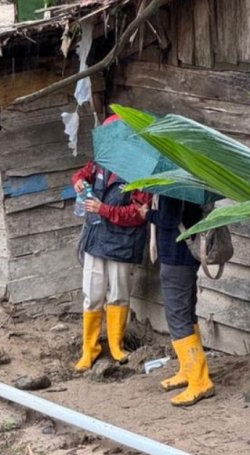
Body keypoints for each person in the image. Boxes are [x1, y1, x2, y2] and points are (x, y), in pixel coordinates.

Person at [71, 116, 151, 372]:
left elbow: (139, 215)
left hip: (123, 241)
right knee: (92, 294)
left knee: (118, 294)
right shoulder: (100, 162)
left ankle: (116, 345)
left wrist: (103, 209)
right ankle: (90, 348)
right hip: (96, 237)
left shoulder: (139, 170)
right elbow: (79, 175)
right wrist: (78, 182)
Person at [139, 196, 213, 406]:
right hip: (186, 254)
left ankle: (200, 381)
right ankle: (187, 370)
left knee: (177, 316)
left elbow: (169, 219)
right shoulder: (188, 181)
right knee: (187, 314)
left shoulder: (174, 186)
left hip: (176, 256)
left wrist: (147, 214)